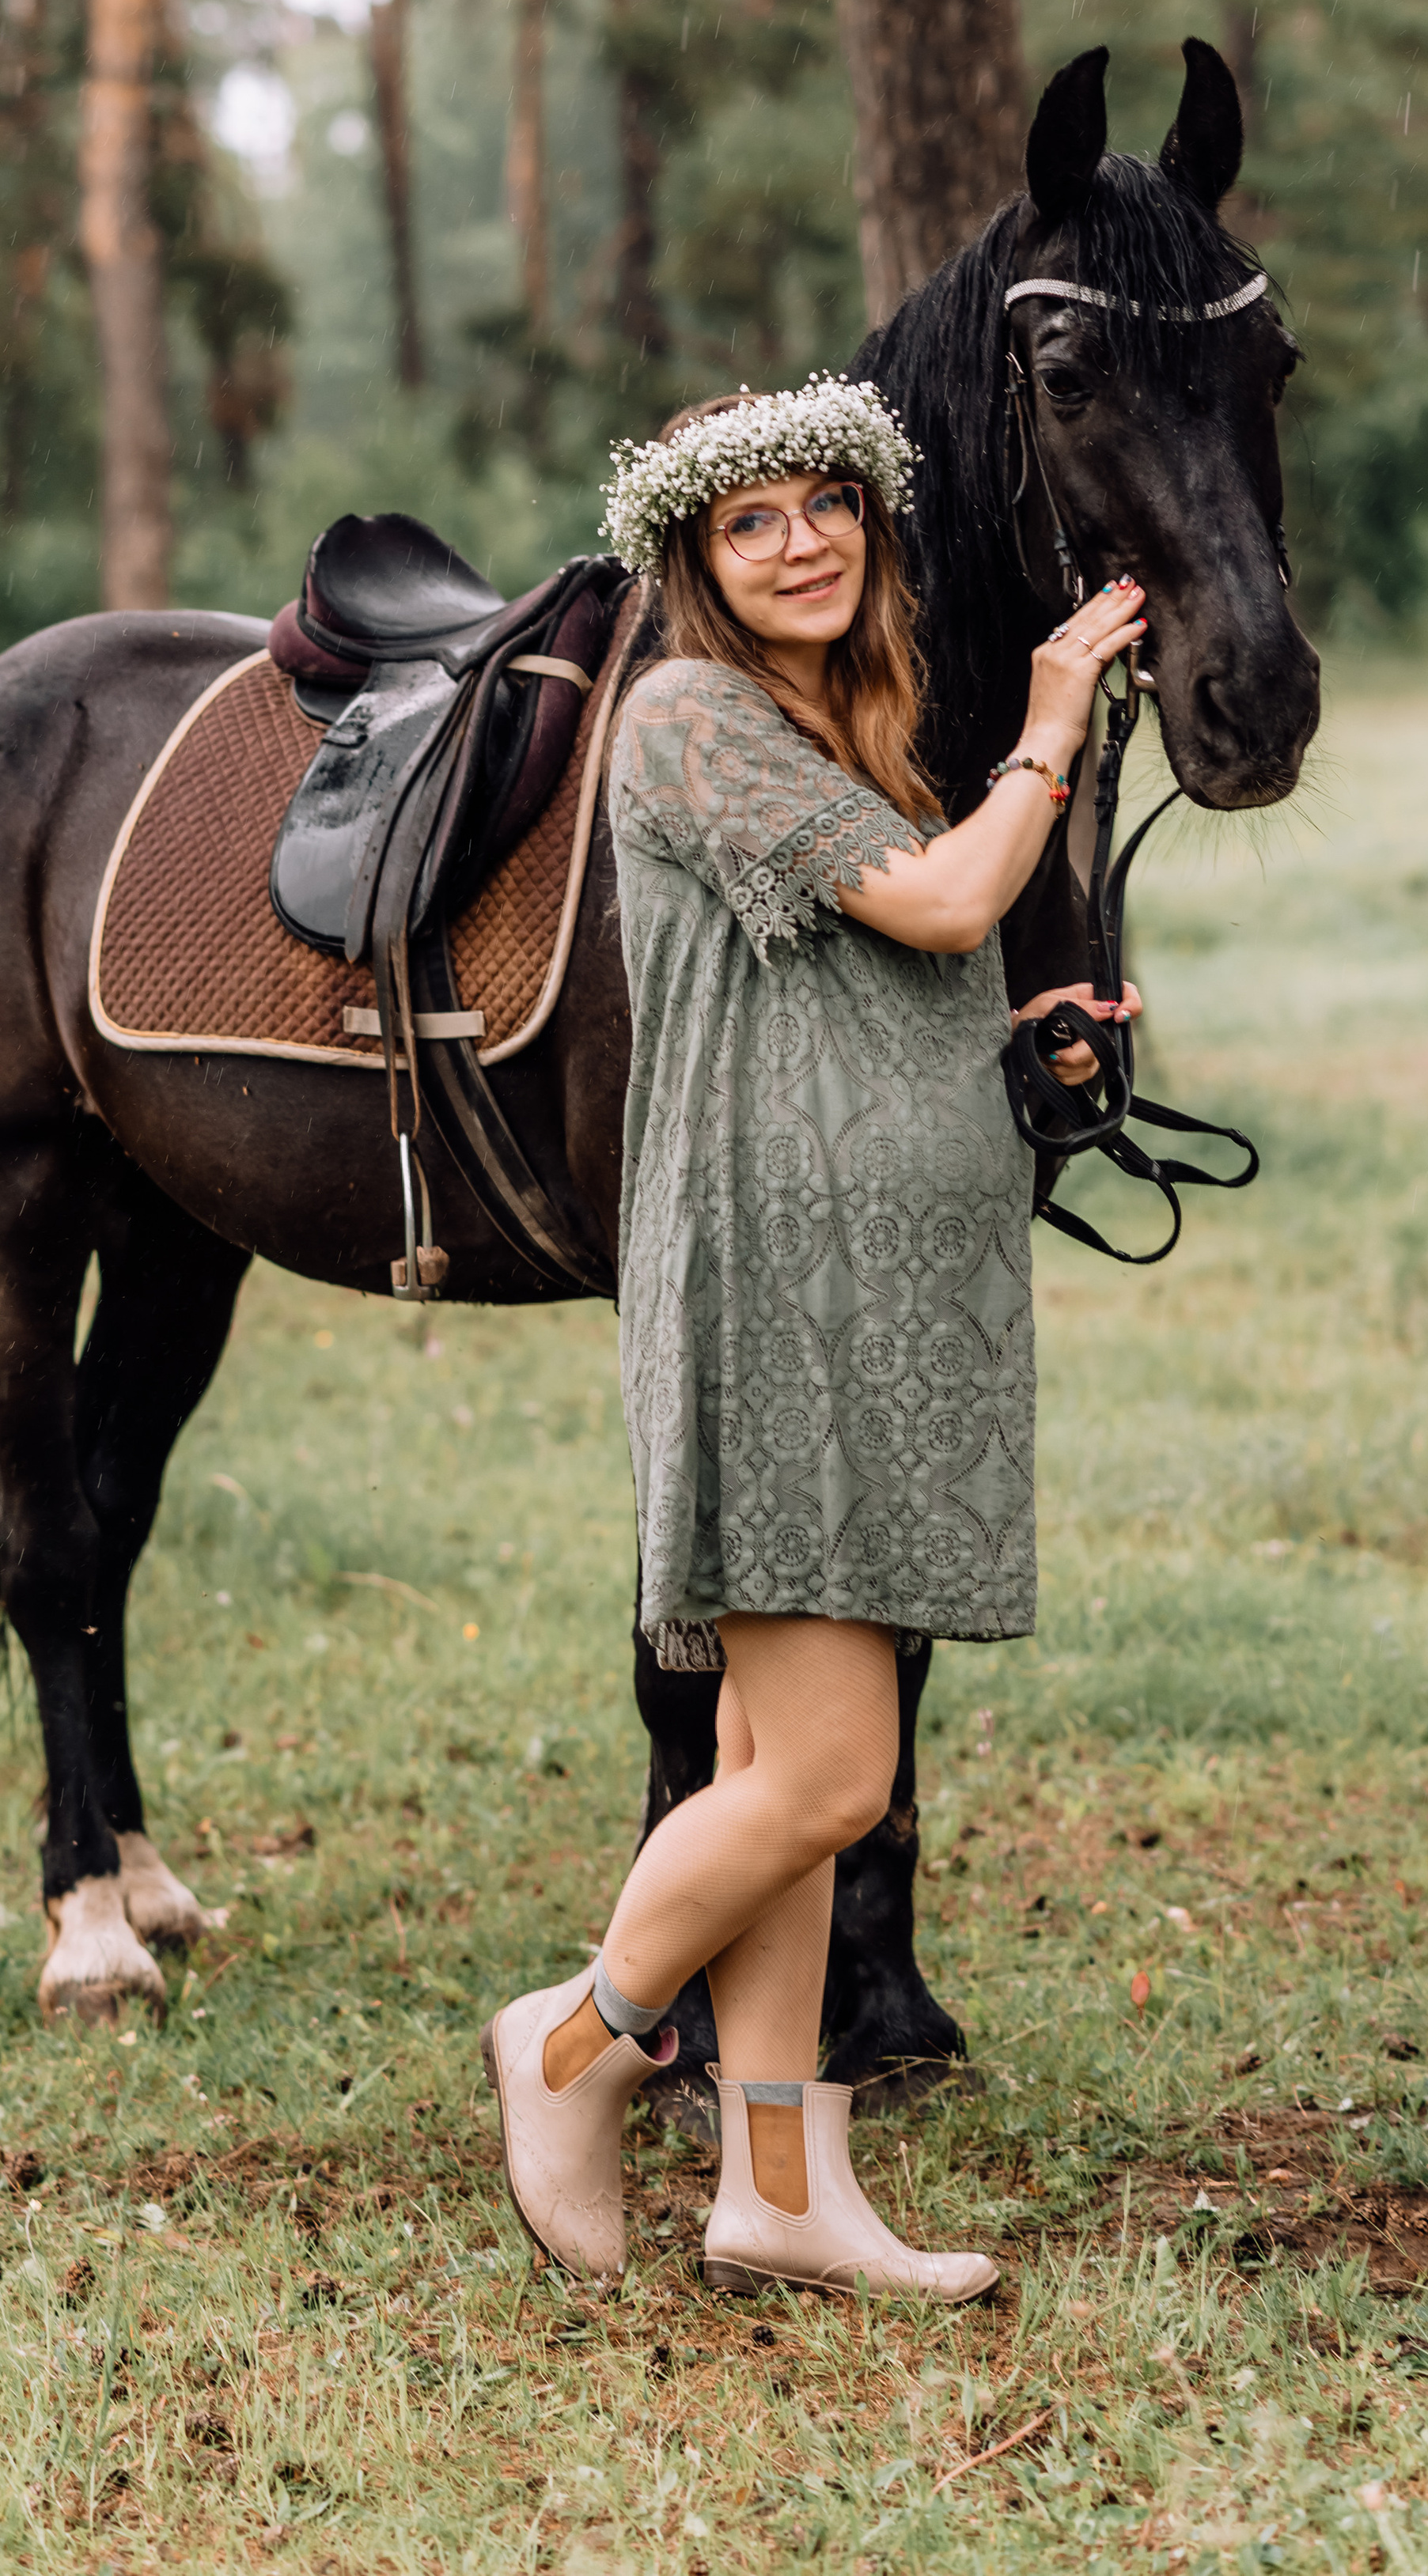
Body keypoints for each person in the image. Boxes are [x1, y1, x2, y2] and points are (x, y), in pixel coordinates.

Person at [481, 376, 1146, 2299]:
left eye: (822, 507)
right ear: (691, 556)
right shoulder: (686, 715)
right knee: (834, 1779)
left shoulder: (819, 728)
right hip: (776, 1292)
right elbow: (941, 905)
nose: (797, 543)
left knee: (768, 1766)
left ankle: (778, 2190)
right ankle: (574, 2041)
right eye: (749, 520)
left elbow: (867, 987)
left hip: (871, 1296)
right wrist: (1042, 739)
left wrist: (999, 1048)